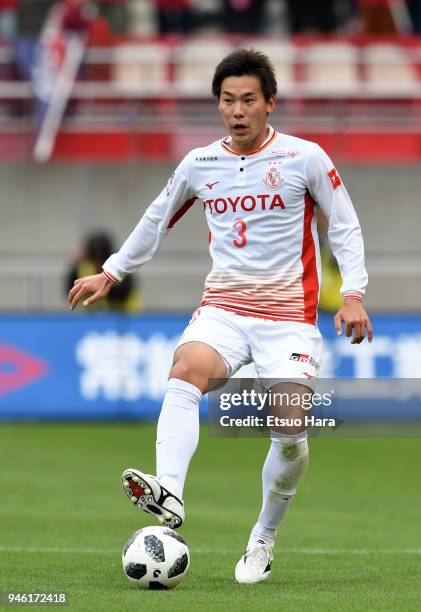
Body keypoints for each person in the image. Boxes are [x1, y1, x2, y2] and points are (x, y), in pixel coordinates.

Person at [68, 48, 373, 584]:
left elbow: (343, 225)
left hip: (288, 319)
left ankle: (263, 537)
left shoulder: (305, 158)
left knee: (289, 429)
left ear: (269, 103)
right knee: (184, 371)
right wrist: (111, 272)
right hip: (225, 309)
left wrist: (353, 293)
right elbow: (155, 219)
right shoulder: (200, 164)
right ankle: (170, 497)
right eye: (228, 100)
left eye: (248, 100)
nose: (237, 110)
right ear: (218, 106)